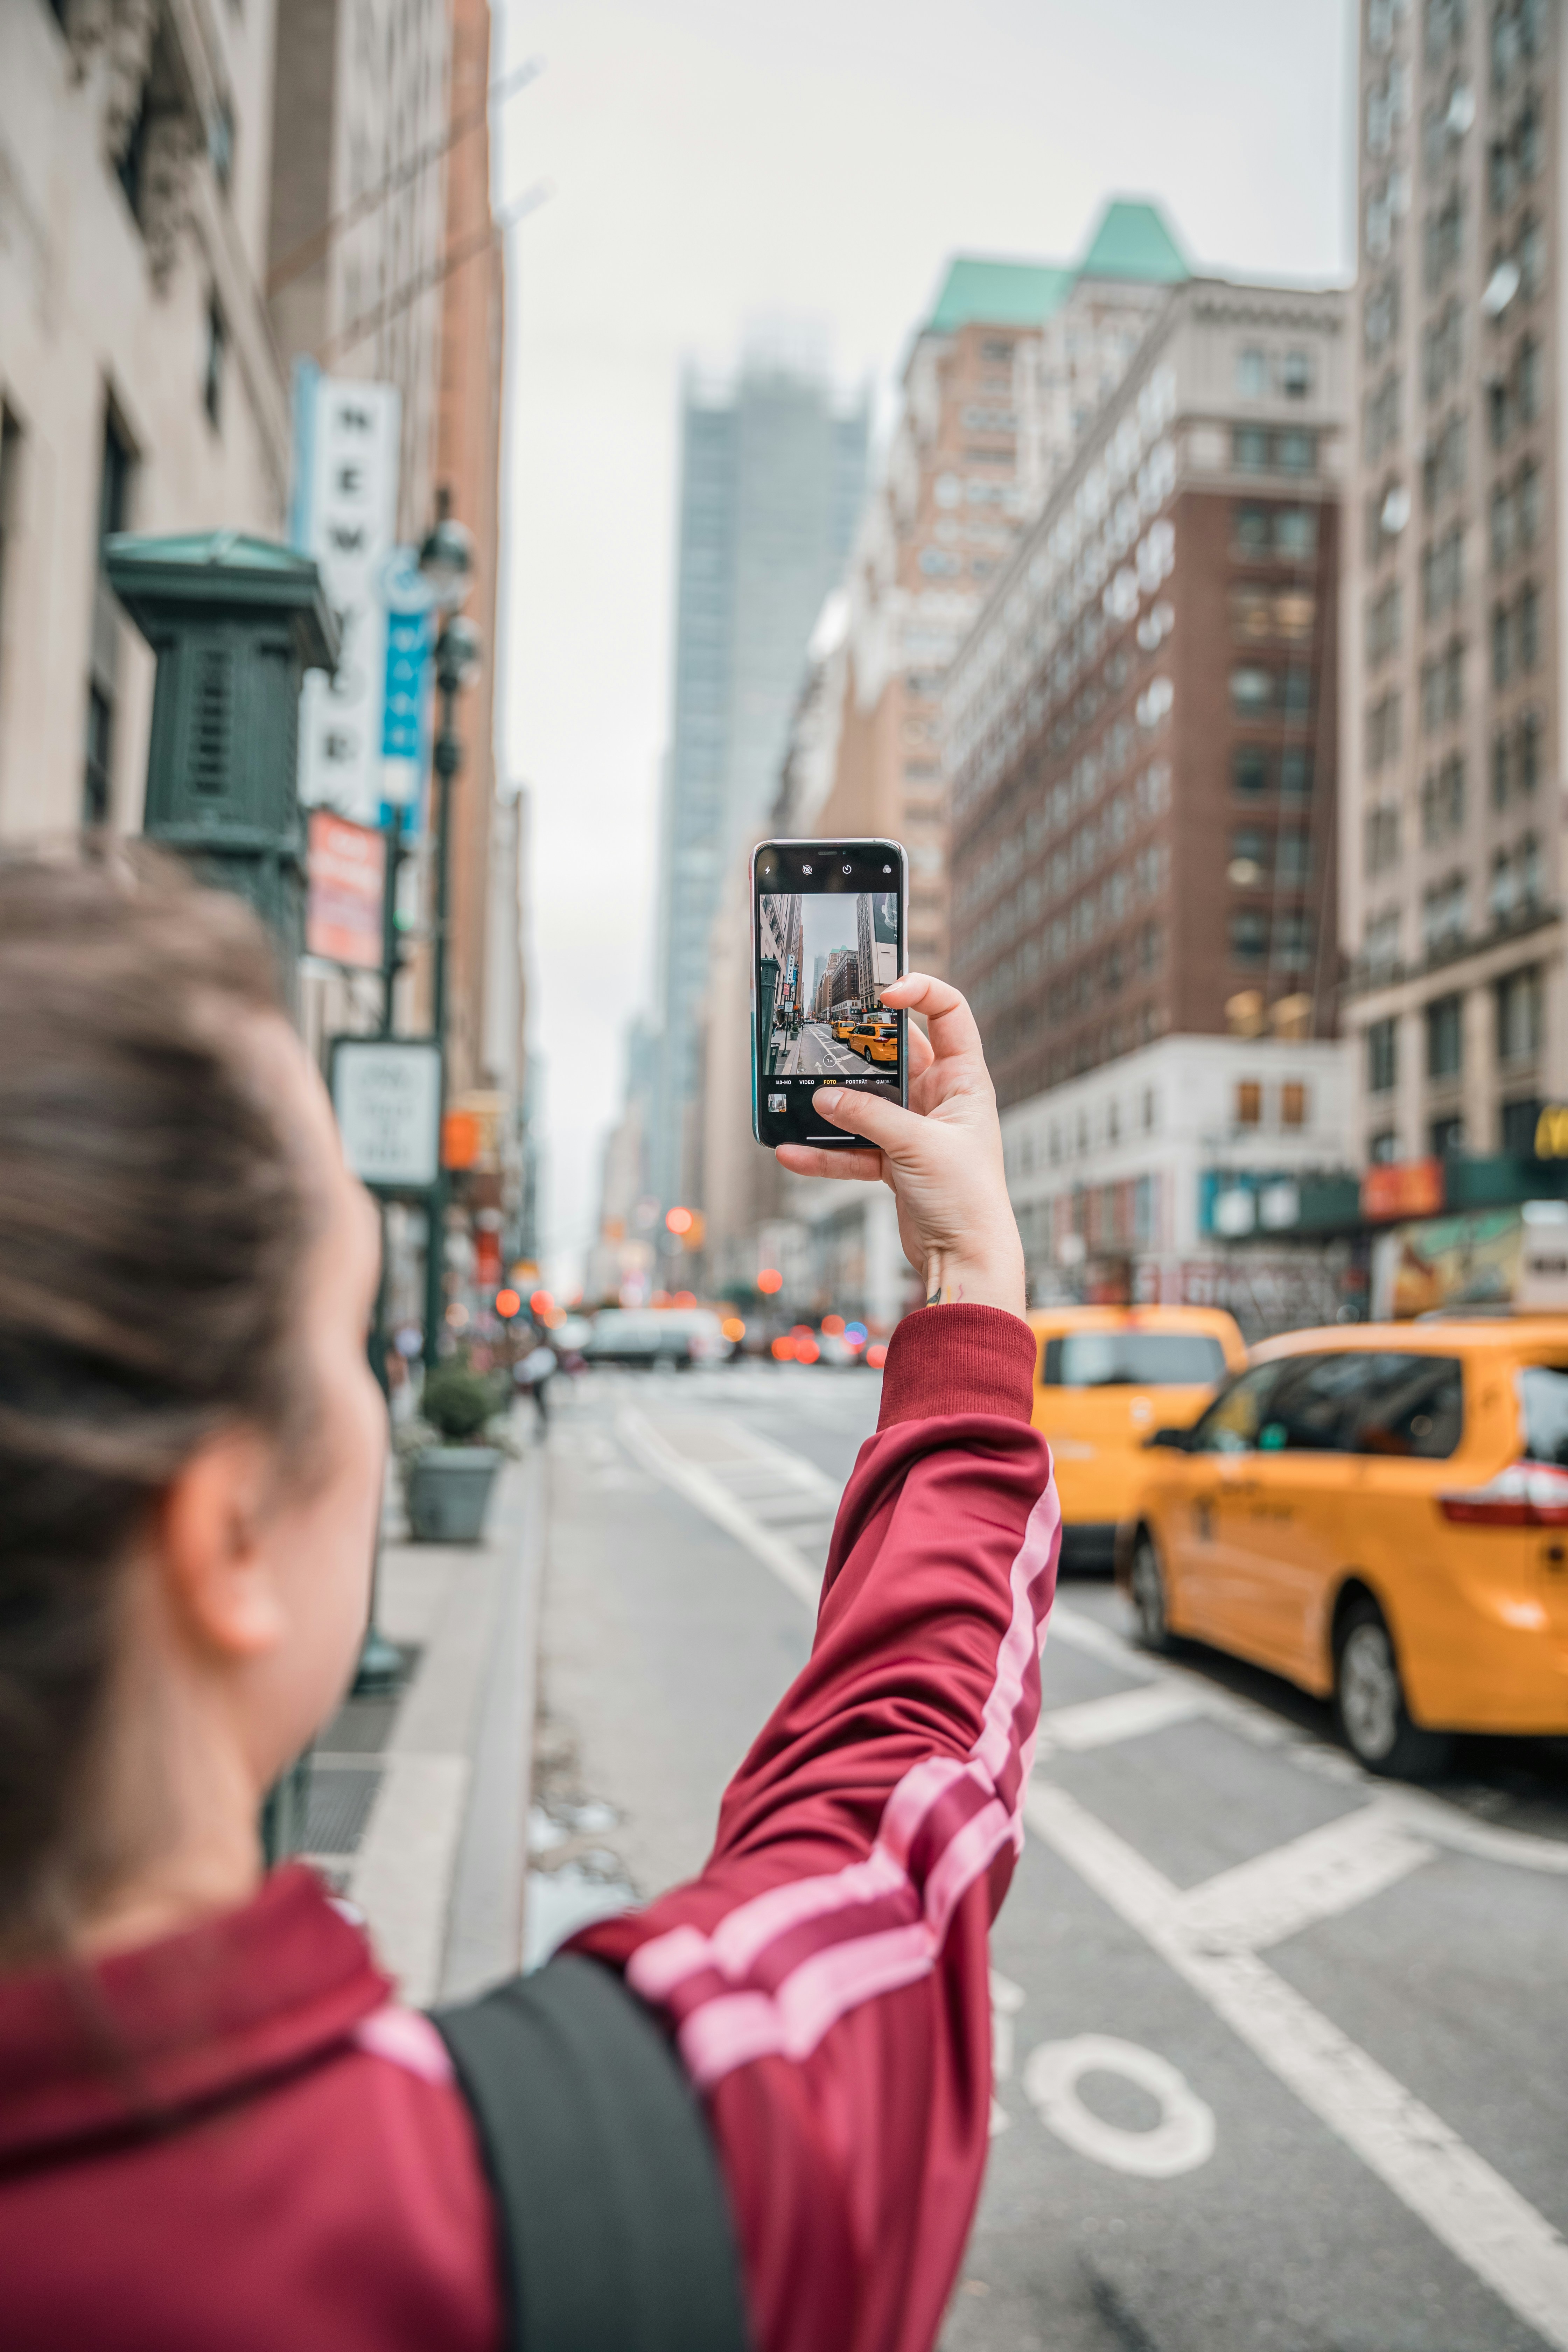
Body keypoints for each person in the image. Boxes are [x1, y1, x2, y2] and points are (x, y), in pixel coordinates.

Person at [0, 845, 1055, 2352]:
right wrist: (967, 1276)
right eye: (349, 1330)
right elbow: (898, 1823)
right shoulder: (596, 2207)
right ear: (225, 1531)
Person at [512, 1331, 556, 1433]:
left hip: (542, 1381)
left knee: (542, 1400)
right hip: (537, 1381)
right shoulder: (538, 1353)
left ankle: (544, 1418)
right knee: (538, 1401)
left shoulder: (544, 1353)